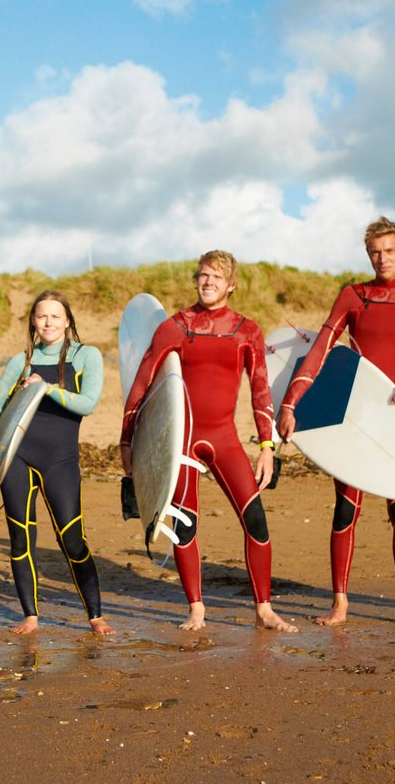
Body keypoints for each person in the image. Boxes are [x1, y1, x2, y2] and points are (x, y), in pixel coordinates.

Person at [276, 217, 395, 627]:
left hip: (394, 417)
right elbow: (319, 352)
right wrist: (290, 402)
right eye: (374, 252)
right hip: (349, 420)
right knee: (345, 510)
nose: (381, 258)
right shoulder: (354, 296)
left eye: (389, 250)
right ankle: (340, 602)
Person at [121, 250, 296, 632]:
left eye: (216, 277)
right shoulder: (175, 326)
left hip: (225, 438)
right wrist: (127, 443)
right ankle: (196, 608)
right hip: (181, 442)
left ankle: (263, 608)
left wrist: (267, 447)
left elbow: (261, 392)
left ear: (231, 284)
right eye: (202, 275)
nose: (208, 282)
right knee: (184, 525)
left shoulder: (246, 330)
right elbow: (142, 383)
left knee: (256, 522)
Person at [0, 291, 114, 637]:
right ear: (32, 321)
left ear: (67, 320)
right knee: (20, 538)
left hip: (59, 459)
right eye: (40, 316)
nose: (47, 322)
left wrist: (44, 388)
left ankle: (95, 615)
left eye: (54, 316)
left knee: (72, 538)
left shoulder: (86, 355)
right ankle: (30, 616)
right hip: (16, 456)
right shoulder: (21, 361)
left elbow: (88, 403)